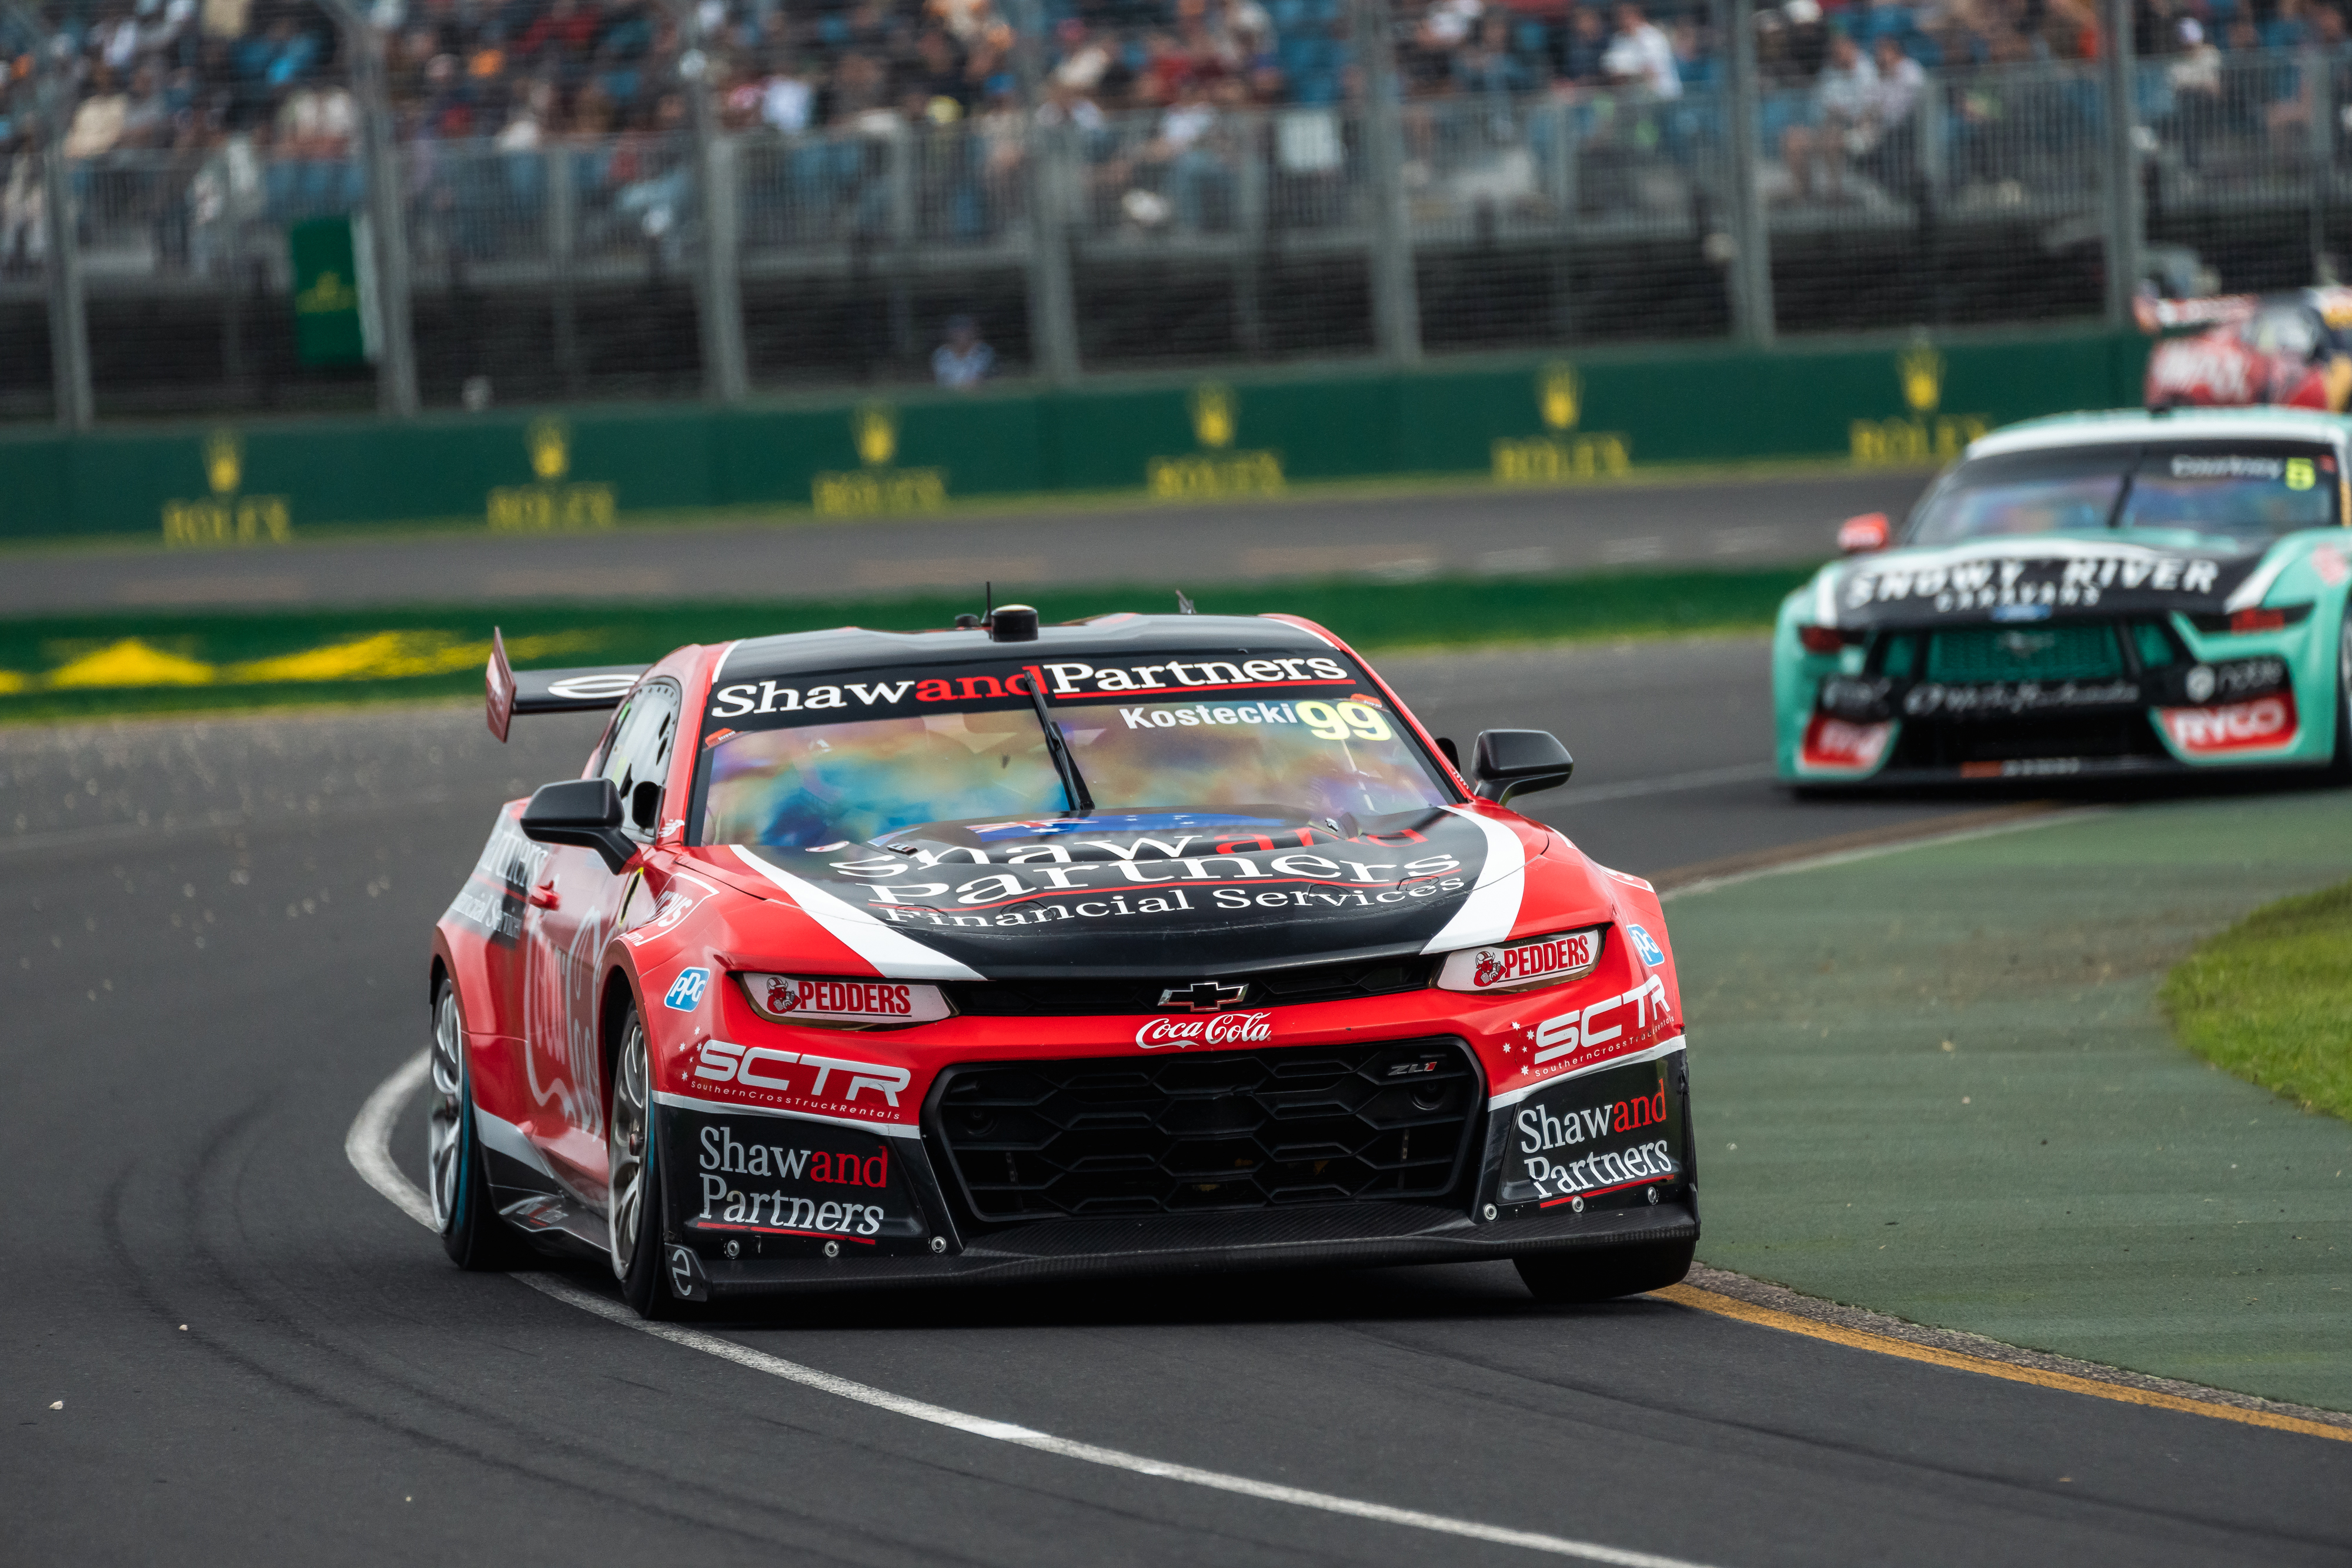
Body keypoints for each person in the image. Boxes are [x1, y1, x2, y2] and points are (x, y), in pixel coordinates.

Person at [1601, 1, 1678, 98]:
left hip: (1661, 96)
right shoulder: (1618, 39)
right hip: (1632, 97)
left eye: (1627, 14)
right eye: (1620, 15)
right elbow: (1611, 70)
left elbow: (1651, 72)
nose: (1623, 19)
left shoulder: (1653, 37)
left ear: (1637, 14)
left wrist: (1627, 71)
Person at [933, 315, 995, 387]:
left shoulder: (983, 351)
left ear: (972, 332)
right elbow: (944, 384)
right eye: (956, 331)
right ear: (950, 333)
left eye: (964, 330)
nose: (961, 335)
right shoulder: (941, 354)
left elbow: (982, 382)